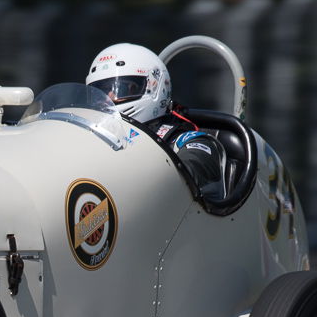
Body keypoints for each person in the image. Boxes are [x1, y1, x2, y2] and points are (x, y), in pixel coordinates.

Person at [86, 43, 228, 203]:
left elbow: (187, 174)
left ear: (154, 86)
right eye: (100, 91)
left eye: (122, 87)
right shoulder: (94, 145)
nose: (109, 98)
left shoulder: (188, 142)